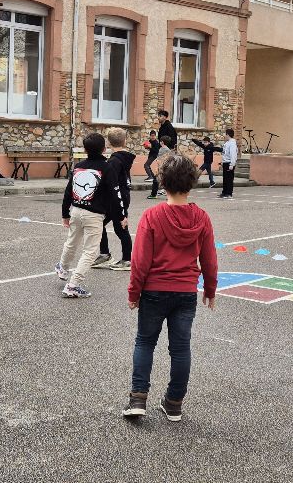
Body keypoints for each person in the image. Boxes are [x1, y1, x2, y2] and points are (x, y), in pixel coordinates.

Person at [123, 153, 217, 421]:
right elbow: (209, 259)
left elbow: (140, 261)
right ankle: (174, 402)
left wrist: (134, 292)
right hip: (185, 292)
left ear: (162, 182)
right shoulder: (201, 218)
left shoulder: (152, 215)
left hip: (154, 290)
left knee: (145, 342)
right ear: (192, 182)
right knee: (180, 348)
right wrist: (210, 289)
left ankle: (138, 398)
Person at [56, 132, 125, 298]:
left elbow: (68, 191)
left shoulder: (78, 166)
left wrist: (65, 213)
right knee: (90, 251)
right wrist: (121, 216)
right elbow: (115, 194)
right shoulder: (107, 167)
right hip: (94, 215)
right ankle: (73, 285)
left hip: (76, 210)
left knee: (71, 242)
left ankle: (63, 268)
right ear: (104, 149)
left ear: (85, 150)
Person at [96, 127, 136, 271]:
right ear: (124, 141)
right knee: (99, 224)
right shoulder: (122, 159)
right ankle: (105, 255)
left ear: (108, 142)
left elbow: (113, 185)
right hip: (118, 198)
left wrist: (122, 213)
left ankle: (127, 260)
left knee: (121, 229)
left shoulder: (114, 161)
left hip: (117, 199)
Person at [147, 135, 174, 199]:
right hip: (167, 167)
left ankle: (153, 195)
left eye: (160, 141)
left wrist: (158, 168)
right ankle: (170, 196)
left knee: (156, 181)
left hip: (162, 168)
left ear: (162, 142)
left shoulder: (162, 149)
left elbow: (160, 160)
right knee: (166, 182)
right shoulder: (168, 149)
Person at [219, 129, 238, 200]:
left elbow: (233, 154)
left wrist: (232, 164)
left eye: (225, 134)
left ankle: (229, 193)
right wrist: (222, 161)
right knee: (225, 179)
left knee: (229, 179)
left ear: (228, 135)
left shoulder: (232, 143)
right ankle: (224, 192)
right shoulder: (227, 143)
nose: (225, 136)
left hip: (229, 163)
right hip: (225, 162)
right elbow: (225, 153)